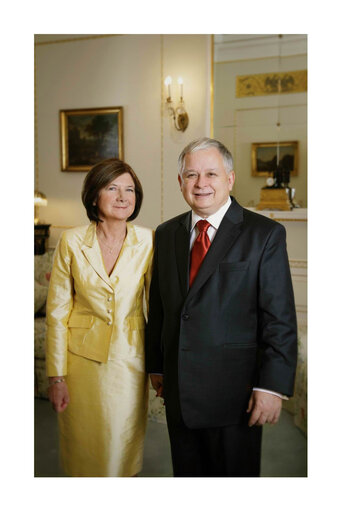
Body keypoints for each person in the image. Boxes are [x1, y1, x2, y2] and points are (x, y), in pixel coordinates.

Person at [145, 137, 297, 477]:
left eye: (211, 174)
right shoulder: (166, 233)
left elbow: (279, 318)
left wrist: (271, 386)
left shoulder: (265, 234)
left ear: (230, 179)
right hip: (180, 392)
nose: (201, 184)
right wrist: (157, 365)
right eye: (191, 175)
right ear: (180, 182)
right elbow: (160, 308)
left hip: (235, 395)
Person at [46, 158, 153, 477]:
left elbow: (158, 310)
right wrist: (57, 377)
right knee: (83, 451)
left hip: (129, 362)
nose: (123, 196)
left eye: (130, 189)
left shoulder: (149, 241)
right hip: (80, 365)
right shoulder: (71, 241)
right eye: (113, 188)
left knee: (122, 451)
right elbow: (57, 312)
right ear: (94, 196)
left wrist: (160, 367)